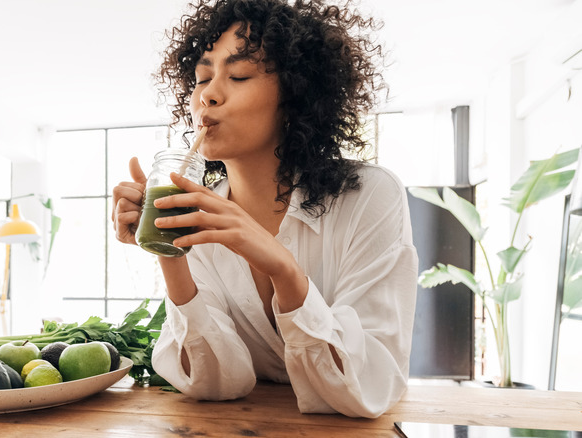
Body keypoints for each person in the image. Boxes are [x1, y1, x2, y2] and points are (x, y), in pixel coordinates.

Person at [112, 0, 418, 418]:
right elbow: (216, 383)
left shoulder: (369, 195)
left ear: (295, 95)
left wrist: (285, 270)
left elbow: (369, 386)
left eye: (238, 75)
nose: (209, 94)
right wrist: (169, 246)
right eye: (202, 77)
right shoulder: (199, 210)